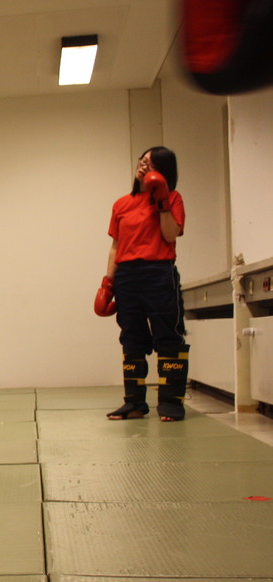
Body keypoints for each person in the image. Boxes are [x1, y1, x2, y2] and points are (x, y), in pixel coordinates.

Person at [96, 146, 189, 421]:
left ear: (163, 169)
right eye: (142, 160)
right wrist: (107, 283)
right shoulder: (121, 204)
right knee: (132, 338)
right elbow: (116, 246)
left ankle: (171, 402)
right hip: (126, 276)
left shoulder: (173, 197)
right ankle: (134, 403)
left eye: (150, 162)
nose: (143, 165)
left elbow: (170, 235)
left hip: (158, 272)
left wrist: (161, 199)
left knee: (168, 336)